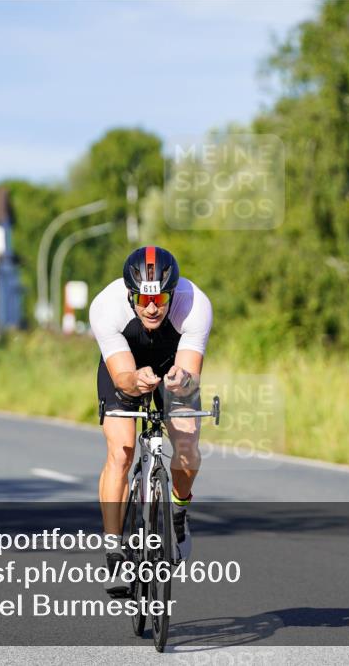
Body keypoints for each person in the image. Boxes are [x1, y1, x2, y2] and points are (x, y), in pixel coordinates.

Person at [89, 246, 212, 597]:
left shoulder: (195, 304)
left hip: (174, 367)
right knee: (122, 452)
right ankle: (115, 553)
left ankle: (179, 512)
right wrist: (134, 381)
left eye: (159, 297)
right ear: (130, 295)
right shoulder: (105, 306)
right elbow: (122, 377)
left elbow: (191, 375)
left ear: (172, 292)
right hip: (125, 369)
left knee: (187, 449)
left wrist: (181, 382)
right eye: (143, 300)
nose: (153, 307)